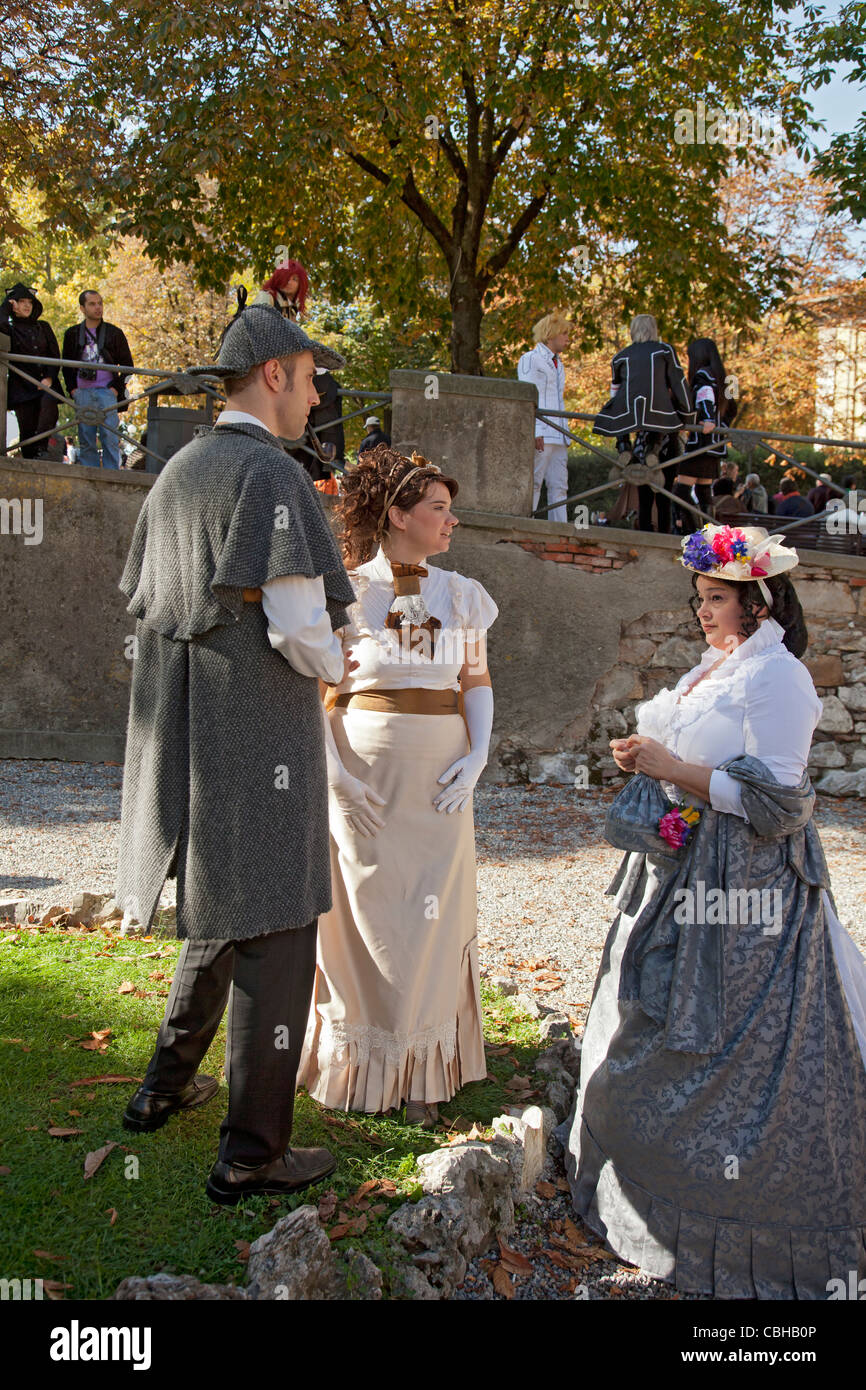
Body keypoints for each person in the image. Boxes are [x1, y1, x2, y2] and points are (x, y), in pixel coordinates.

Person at [563, 522, 866, 1298]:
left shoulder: (780, 679)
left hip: (748, 889)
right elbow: (700, 760)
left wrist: (675, 767)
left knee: (727, 1036)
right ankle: (625, 1168)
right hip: (681, 866)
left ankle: (735, 1223)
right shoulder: (717, 665)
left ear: (758, 603)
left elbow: (781, 801)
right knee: (645, 1004)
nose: (703, 611)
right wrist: (649, 760)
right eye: (699, 597)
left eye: (717, 599)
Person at [116, 305, 358, 1204]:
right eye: (309, 373)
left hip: (190, 728)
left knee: (222, 902)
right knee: (282, 926)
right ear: (272, 376)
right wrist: (344, 661)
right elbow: (300, 626)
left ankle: (159, 1091)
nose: (318, 390)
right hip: (260, 731)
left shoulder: (178, 468)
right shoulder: (269, 473)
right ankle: (252, 1153)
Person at [297, 445, 498, 1128]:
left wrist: (478, 759)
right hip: (366, 778)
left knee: (430, 918)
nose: (451, 522)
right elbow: (318, 693)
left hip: (440, 782)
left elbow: (476, 684)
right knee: (367, 916)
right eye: (438, 509)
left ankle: (424, 1070)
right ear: (397, 515)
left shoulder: (465, 594)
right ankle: (359, 1067)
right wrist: (335, 779)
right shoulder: (342, 592)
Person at [594, 315, 694, 534]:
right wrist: (689, 415)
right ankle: (654, 448)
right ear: (654, 329)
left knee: (645, 498)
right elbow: (678, 382)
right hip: (660, 417)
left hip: (627, 415)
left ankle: (623, 447)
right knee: (665, 495)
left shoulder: (620, 356)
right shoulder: (664, 351)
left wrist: (613, 414)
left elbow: (614, 391)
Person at [62, 291, 134, 469]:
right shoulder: (72, 334)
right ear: (82, 308)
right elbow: (66, 365)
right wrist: (73, 390)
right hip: (82, 392)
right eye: (92, 304)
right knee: (86, 437)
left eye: (100, 303)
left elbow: (128, 366)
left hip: (107, 391)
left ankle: (111, 475)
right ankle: (89, 474)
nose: (97, 307)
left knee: (110, 437)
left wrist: (116, 390)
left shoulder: (114, 333)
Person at [673, 339, 737, 532]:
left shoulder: (702, 376)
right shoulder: (723, 377)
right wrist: (722, 426)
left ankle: (697, 537)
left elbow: (704, 396)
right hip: (715, 445)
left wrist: (708, 420)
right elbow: (732, 409)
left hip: (700, 443)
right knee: (702, 491)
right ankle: (709, 536)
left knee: (681, 493)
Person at [518, 311, 572, 523]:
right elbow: (529, 396)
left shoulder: (559, 363)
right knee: (535, 482)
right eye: (564, 333)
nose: (568, 338)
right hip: (543, 430)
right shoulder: (531, 359)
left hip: (559, 433)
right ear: (551, 334)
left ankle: (559, 530)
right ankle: (525, 524)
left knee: (560, 485)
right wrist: (536, 431)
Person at [1, 283, 61, 459]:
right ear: (14, 304)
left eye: (30, 302)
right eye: (21, 301)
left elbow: (54, 355)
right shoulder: (10, 329)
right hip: (21, 387)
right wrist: (5, 306)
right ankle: (29, 459)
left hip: (46, 384)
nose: (27, 305)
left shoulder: (44, 326)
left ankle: (42, 451)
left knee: (49, 407)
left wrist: (49, 378)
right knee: (27, 431)